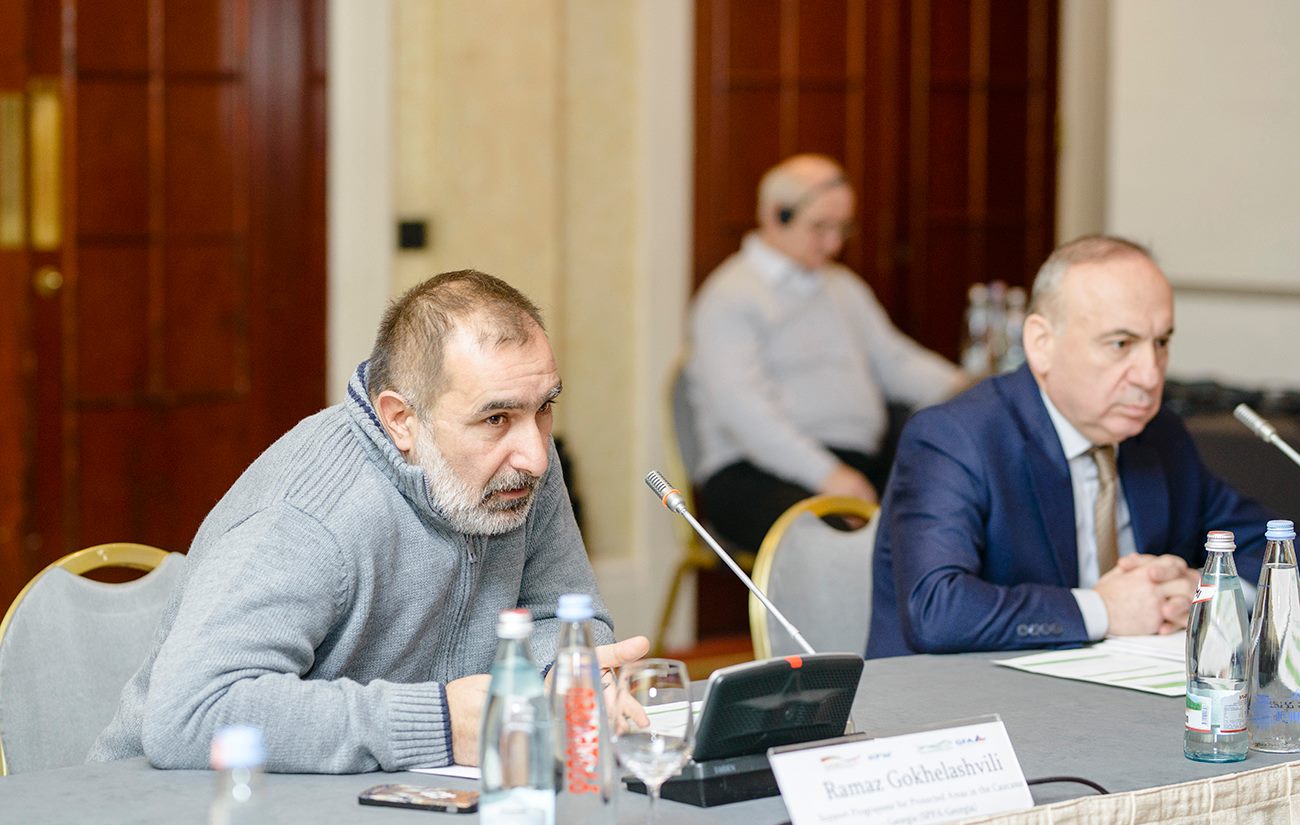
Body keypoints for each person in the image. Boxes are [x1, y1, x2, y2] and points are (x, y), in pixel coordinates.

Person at [89, 270, 648, 771]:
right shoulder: (310, 516)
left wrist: (559, 678)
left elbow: (561, 616)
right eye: (496, 418)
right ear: (401, 419)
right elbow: (190, 712)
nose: (536, 456)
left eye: (543, 407)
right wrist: (440, 723)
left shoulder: (518, 470)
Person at [867, 236, 1274, 658]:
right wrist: (1102, 610)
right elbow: (937, 610)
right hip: (965, 693)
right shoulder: (956, 437)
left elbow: (1276, 550)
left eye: (1161, 343)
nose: (1150, 376)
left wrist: (1209, 588)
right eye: (1120, 344)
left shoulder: (1158, 435)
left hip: (1120, 687)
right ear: (1042, 344)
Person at [686, 154, 967, 551]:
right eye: (820, 227)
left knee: (951, 509)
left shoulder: (843, 287)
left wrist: (968, 388)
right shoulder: (730, 297)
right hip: (757, 471)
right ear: (776, 215)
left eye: (843, 228)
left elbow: (896, 363)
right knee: (837, 541)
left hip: (855, 462)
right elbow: (746, 414)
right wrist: (828, 475)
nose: (834, 244)